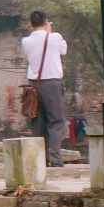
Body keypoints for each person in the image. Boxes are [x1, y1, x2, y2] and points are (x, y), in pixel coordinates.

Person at [21, 11, 68, 167]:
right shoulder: (55, 37)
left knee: (37, 121)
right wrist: (49, 31)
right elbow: (63, 50)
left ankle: (40, 159)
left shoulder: (25, 41)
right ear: (47, 22)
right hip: (52, 84)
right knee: (56, 121)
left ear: (31, 24)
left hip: (33, 85)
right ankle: (55, 158)